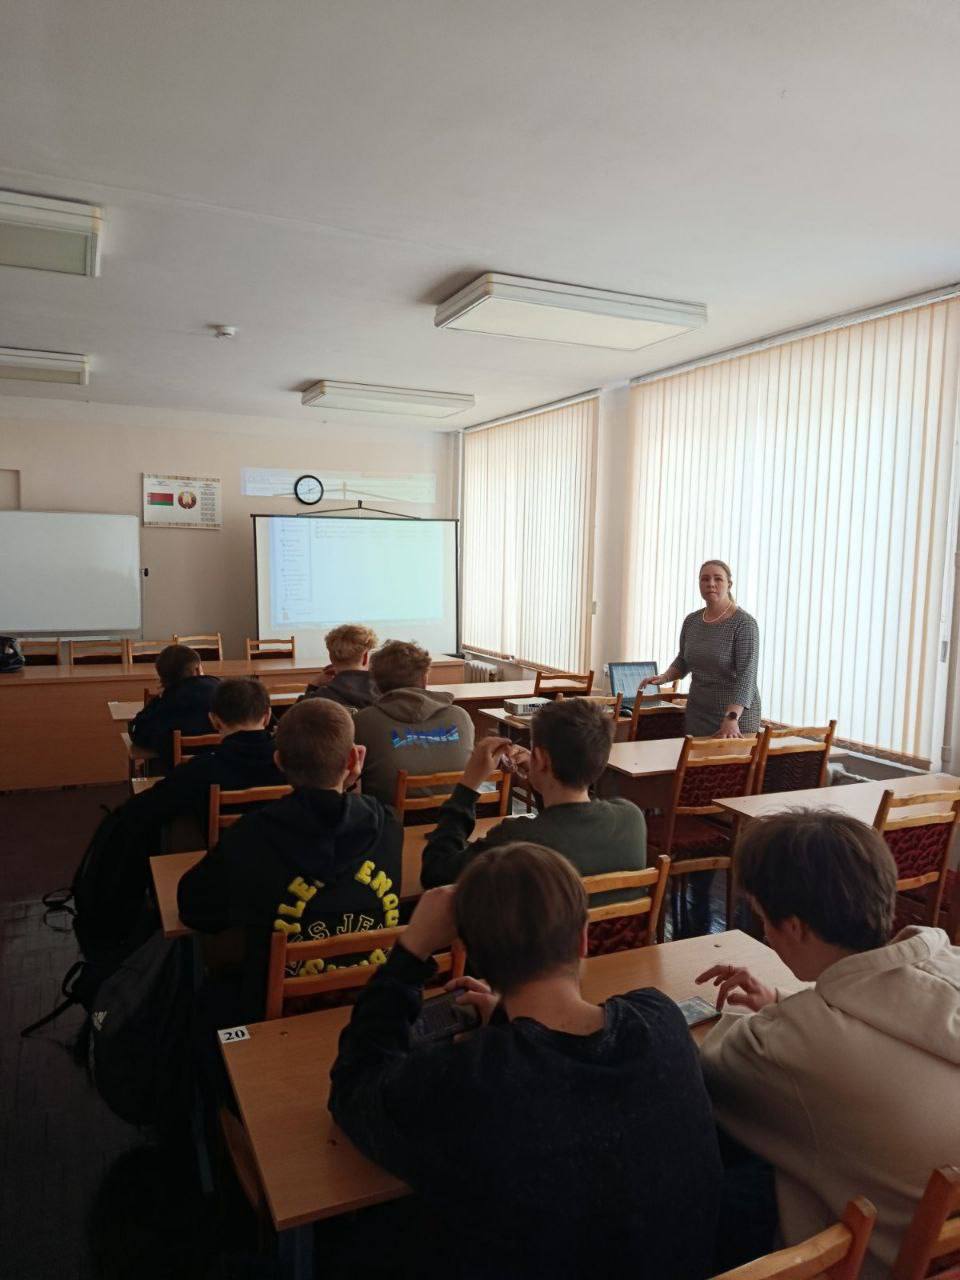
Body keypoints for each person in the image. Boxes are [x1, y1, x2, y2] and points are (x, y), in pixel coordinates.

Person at [330, 843, 722, 1279]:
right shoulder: (660, 1019)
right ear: (583, 938)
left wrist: (410, 952)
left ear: (475, 956)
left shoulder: (465, 1081)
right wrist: (507, 1019)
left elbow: (355, 1086)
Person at [696, 810, 960, 1280]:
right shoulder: (948, 963)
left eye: (764, 920)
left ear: (795, 927)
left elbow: (711, 1072)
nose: (765, 933)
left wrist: (752, 1013)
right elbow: (882, 1006)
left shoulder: (799, 1044)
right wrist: (782, 1001)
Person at [177, 698, 402, 1021]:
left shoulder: (251, 835)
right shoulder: (388, 825)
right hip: (370, 1000)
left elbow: (194, 908)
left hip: (280, 1009)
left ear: (279, 762)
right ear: (354, 758)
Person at [421, 699, 647, 944]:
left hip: (533, 964)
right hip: (615, 960)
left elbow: (436, 874)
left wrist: (468, 785)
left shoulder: (517, 842)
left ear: (541, 758)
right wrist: (541, 776)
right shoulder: (632, 818)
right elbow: (561, 821)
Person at [123, 677, 283, 846]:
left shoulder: (200, 768)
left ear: (214, 720)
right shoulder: (293, 765)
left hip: (226, 856)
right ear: (267, 716)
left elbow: (141, 809)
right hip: (284, 856)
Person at [640, 559, 760, 738]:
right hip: (698, 715)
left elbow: (746, 678)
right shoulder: (692, 621)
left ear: (729, 584)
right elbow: (683, 660)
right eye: (705, 579)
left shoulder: (744, 624)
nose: (711, 583)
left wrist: (731, 717)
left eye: (718, 579)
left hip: (735, 720)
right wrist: (664, 677)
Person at [354, 639, 474, 808]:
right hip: (457, 818)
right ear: (425, 678)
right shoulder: (460, 716)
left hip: (389, 821)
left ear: (377, 684)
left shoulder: (362, 721)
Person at [129, 643, 220, 767]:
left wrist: (158, 699)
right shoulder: (222, 690)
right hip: (222, 771)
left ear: (162, 678)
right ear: (197, 669)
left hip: (179, 773)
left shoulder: (166, 702)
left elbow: (137, 732)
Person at [301, 623, 379, 711]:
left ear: (331, 657)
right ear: (365, 657)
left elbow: (298, 714)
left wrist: (314, 684)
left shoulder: (320, 697)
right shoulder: (382, 692)